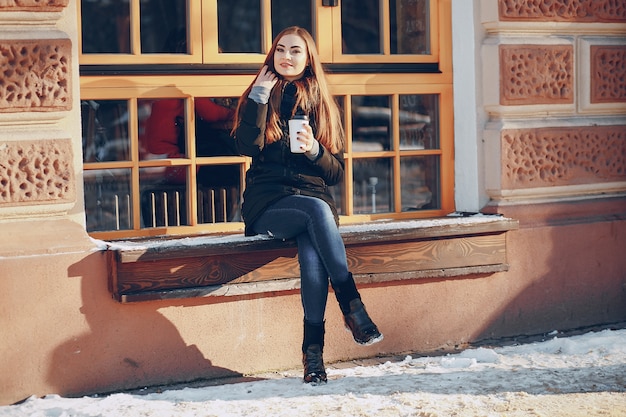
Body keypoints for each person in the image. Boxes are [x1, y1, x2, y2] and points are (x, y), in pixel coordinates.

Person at [232, 26, 383, 385]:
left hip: (312, 200)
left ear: (308, 58)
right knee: (317, 214)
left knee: (313, 254)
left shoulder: (322, 105)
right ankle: (352, 306)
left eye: (296, 51)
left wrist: (316, 150)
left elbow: (336, 173)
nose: (287, 56)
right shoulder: (258, 95)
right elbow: (246, 148)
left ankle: (312, 358)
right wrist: (258, 97)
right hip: (269, 205)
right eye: (281, 49)